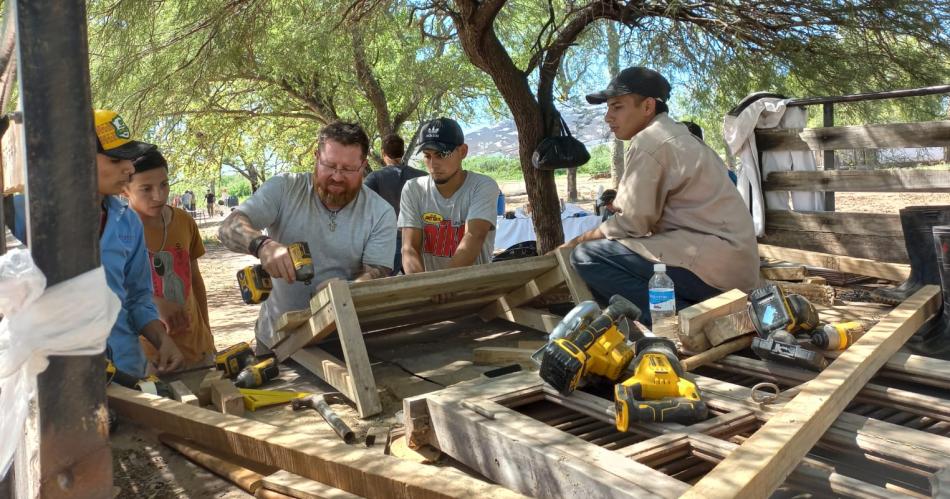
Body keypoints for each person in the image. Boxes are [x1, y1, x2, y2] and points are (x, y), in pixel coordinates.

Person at [561, 67, 759, 327]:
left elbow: (631, 224)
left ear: (647, 106)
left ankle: (681, 321)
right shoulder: (678, 136)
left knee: (587, 256)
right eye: (607, 109)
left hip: (714, 271)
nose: (608, 117)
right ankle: (696, 313)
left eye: (617, 107)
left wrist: (573, 243)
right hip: (736, 268)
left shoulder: (650, 141)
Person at [12, 110, 184, 376]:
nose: (129, 168)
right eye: (116, 160)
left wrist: (162, 339)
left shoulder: (128, 222)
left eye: (129, 159)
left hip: (125, 369)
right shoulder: (24, 214)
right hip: (56, 377)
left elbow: (138, 297)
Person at [218, 121, 395, 351]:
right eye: (329, 165)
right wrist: (263, 246)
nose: (337, 177)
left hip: (345, 341)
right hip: (276, 339)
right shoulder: (284, 188)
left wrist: (347, 290)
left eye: (348, 169)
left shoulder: (380, 212)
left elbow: (378, 272)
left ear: (363, 165)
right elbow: (227, 228)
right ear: (316, 157)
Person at [125, 149, 215, 368]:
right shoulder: (116, 233)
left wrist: (208, 335)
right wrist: (154, 304)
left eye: (164, 184)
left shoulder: (183, 221)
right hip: (149, 361)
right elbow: (109, 296)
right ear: (125, 189)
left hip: (197, 352)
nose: (159, 195)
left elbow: (195, 280)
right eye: (146, 189)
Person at [398, 117, 500, 277]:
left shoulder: (482, 186)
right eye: (427, 156)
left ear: (463, 152)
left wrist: (443, 283)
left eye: (441, 154)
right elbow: (409, 248)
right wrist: (422, 286)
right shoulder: (413, 189)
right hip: (429, 292)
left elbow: (475, 236)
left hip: (473, 290)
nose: (433, 164)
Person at [364, 133, 427, 274]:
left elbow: (360, 205)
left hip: (388, 242)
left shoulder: (375, 178)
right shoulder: (423, 177)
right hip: (421, 240)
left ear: (382, 153)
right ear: (403, 152)